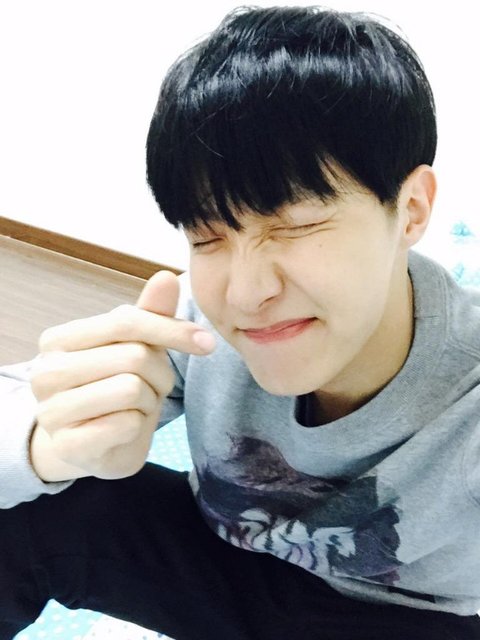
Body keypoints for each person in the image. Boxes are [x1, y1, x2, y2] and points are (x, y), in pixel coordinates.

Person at [1, 5, 480, 639]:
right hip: (223, 562)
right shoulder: (197, 321)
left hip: (398, 617)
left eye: (297, 225)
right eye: (208, 236)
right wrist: (47, 445)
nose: (248, 293)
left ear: (412, 209)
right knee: (37, 502)